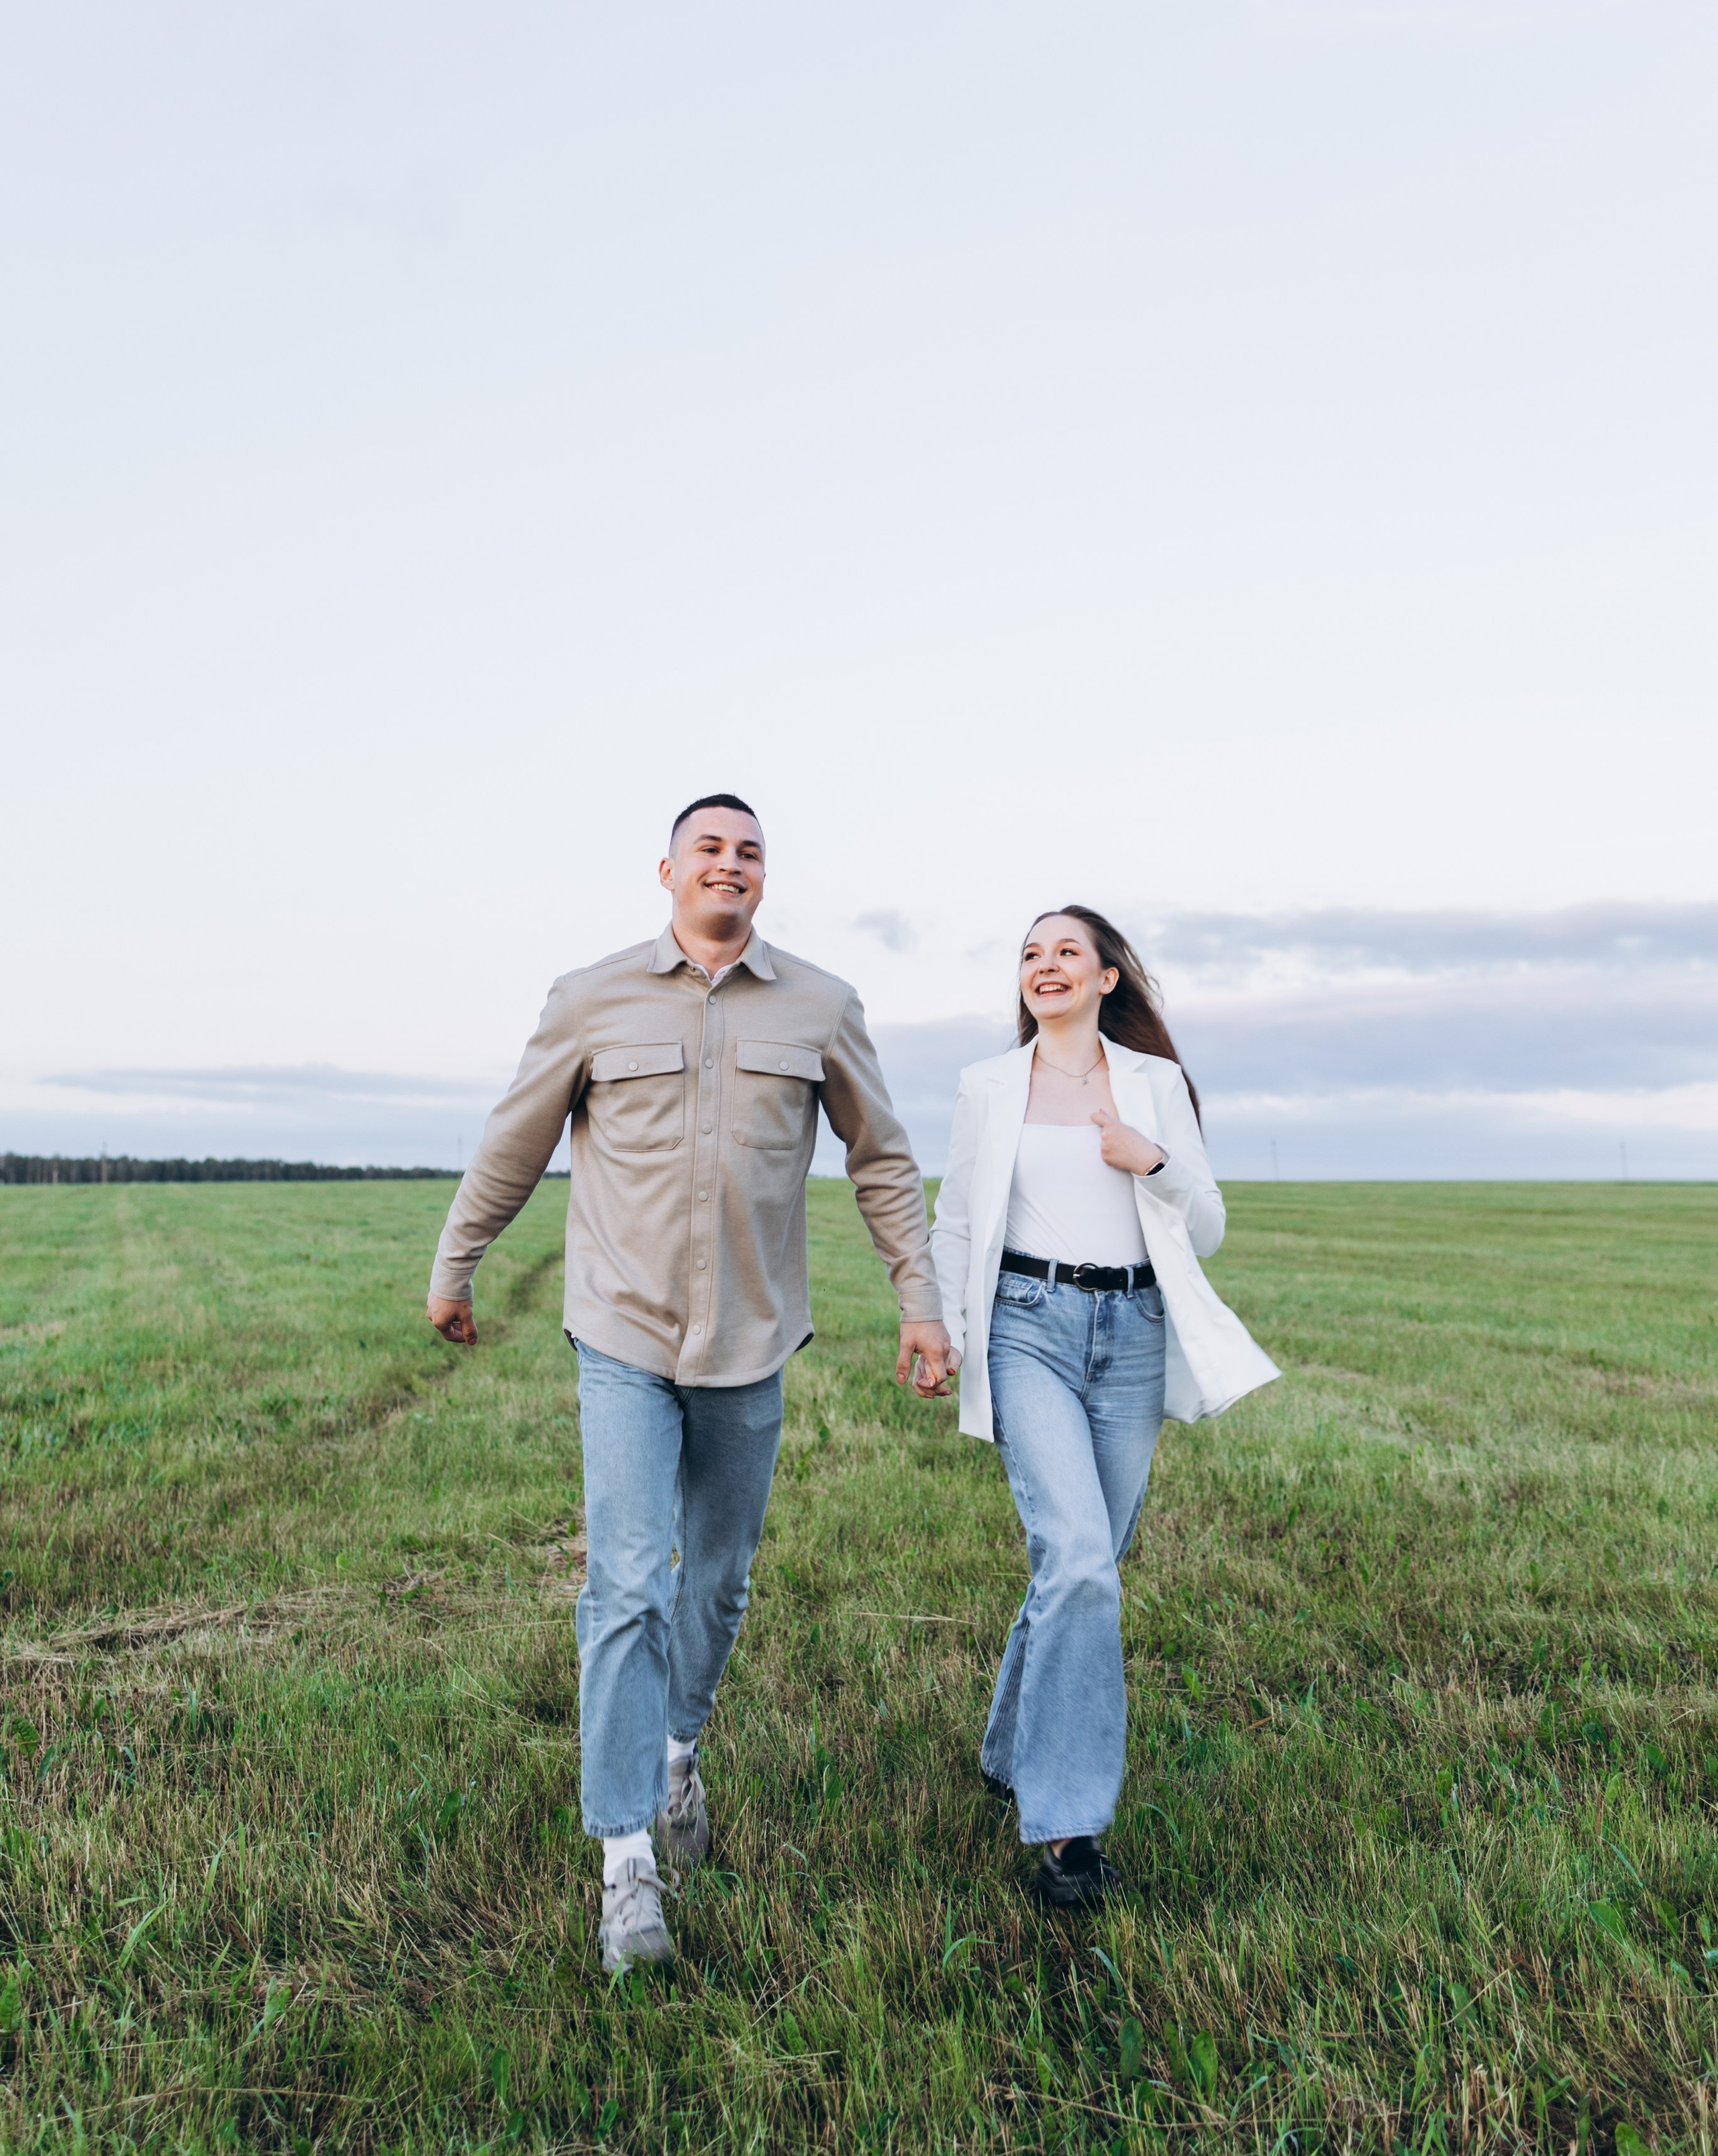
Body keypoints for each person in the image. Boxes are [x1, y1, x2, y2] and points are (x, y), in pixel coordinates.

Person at [426, 796, 954, 1973]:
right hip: (621, 1331)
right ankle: (626, 1864)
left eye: (750, 851)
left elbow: (882, 1158)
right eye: (710, 848)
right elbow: (516, 1140)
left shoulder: (822, 1006)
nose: (731, 864)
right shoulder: (591, 997)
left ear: (766, 878)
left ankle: (675, 1751)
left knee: (715, 1584)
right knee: (624, 1584)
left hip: (754, 1342)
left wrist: (920, 1299)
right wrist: (456, 1263)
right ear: (667, 870)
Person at [930, 905, 1278, 1908]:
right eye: (1031, 955)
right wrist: (947, 1329)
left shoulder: (1155, 1086)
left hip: (1130, 1336)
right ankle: (1068, 1832)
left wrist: (1151, 1161)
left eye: (1066, 953)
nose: (1046, 967)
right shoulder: (988, 1087)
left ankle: (1008, 1748)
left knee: (1085, 1563)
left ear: (1106, 978)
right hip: (1027, 1323)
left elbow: (1206, 1226)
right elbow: (957, 1219)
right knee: (1080, 1557)